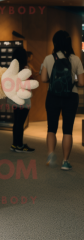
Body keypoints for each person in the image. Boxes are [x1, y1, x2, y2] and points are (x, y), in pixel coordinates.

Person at [41, 30, 84, 170]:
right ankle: (65, 162)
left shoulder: (48, 58)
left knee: (51, 128)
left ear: (55, 42)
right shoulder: (75, 59)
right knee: (67, 130)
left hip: (52, 95)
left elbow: (43, 79)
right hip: (70, 96)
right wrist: (72, 82)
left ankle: (51, 154)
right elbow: (82, 82)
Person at [10, 47, 35, 153]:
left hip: (14, 97)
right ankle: (19, 145)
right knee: (20, 123)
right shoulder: (25, 69)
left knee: (17, 122)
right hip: (24, 98)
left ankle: (15, 144)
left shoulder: (12, 68)